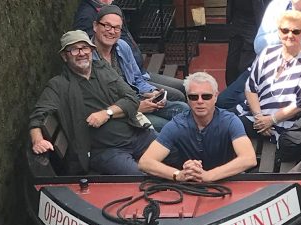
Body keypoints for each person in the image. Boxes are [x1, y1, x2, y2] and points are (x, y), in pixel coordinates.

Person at [28, 30, 154, 175]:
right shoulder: (58, 85)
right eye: (74, 49)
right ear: (64, 56)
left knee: (178, 150)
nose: (81, 53)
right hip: (107, 151)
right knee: (140, 179)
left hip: (136, 135)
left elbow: (132, 99)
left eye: (85, 47)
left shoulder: (104, 69)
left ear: (91, 50)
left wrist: (107, 113)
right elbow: (38, 116)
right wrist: (37, 140)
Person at [219, 0, 301, 109]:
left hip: (291, 78)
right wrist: (286, 33)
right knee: (222, 102)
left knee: (241, 103)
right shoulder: (277, 5)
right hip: (263, 68)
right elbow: (258, 46)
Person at [234, 10, 301, 163]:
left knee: (224, 125)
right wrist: (259, 117)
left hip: (283, 125)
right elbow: (251, 87)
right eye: (285, 30)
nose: (290, 35)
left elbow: (299, 104)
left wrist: (272, 120)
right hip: (255, 116)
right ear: (278, 32)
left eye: (296, 31)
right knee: (217, 120)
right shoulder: (267, 53)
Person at [138, 72, 256, 182]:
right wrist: (178, 175)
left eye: (206, 96)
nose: (200, 101)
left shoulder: (230, 121)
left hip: (226, 180)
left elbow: (249, 158)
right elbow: (145, 162)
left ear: (215, 97)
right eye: (194, 97)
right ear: (188, 99)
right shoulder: (177, 124)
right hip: (190, 183)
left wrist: (209, 175)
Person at [91, 5, 189, 131]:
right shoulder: (88, 58)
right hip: (119, 113)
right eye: (107, 25)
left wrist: (152, 92)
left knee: (183, 109)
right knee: (168, 126)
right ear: (95, 26)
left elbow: (137, 79)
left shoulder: (122, 46)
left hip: (138, 99)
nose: (111, 31)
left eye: (117, 28)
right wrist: (136, 107)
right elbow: (100, 103)